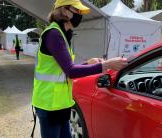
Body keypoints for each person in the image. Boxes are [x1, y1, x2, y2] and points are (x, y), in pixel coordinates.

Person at [31, 0, 128, 138]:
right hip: (49, 105)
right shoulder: (54, 34)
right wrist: (107, 65)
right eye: (77, 10)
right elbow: (71, 72)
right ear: (64, 10)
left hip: (60, 103)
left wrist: (88, 63)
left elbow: (64, 70)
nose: (81, 14)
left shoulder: (64, 34)